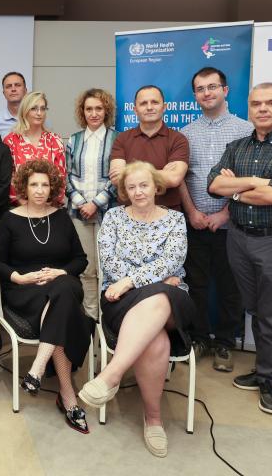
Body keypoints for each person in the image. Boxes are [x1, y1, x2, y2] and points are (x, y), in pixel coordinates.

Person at [208, 82, 272, 416]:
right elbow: (214, 185)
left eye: (271, 103)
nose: (263, 109)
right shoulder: (236, 146)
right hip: (238, 237)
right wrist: (257, 182)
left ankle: (268, 380)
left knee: (270, 313)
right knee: (253, 307)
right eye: (256, 104)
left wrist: (237, 188)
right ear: (249, 109)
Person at [78, 161, 193, 458]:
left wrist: (132, 280)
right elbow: (109, 262)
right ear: (124, 192)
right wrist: (156, 281)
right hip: (122, 301)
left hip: (159, 299)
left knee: (159, 299)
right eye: (131, 187)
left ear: (156, 186)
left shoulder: (175, 220)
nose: (138, 191)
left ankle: (111, 375)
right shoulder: (114, 218)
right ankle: (153, 419)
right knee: (155, 338)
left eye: (144, 185)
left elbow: (172, 260)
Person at [0, 159, 91, 434]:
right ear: (24, 186)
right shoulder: (9, 221)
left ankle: (37, 367)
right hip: (25, 289)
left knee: (64, 289)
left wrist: (60, 271)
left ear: (52, 188)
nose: (39, 190)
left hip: (61, 285)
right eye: (33, 184)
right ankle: (68, 398)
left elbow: (80, 261)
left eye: (44, 185)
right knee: (65, 303)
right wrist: (18, 277)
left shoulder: (61, 218)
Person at [178, 67, 253, 371]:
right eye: (200, 88)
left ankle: (224, 342)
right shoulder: (185, 133)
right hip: (194, 222)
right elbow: (181, 178)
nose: (206, 93)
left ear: (226, 90)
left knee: (229, 286)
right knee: (195, 284)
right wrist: (192, 212)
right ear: (194, 94)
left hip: (231, 222)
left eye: (212, 87)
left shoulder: (245, 130)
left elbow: (249, 180)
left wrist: (225, 213)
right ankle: (198, 338)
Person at [65, 88, 119, 321]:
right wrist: (81, 203)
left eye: (99, 108)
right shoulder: (74, 140)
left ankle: (106, 320)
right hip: (78, 214)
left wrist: (95, 203)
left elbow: (118, 177)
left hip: (108, 212)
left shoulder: (118, 139)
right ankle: (90, 319)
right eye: (89, 109)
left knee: (107, 268)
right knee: (86, 269)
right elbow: (65, 175)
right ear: (82, 112)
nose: (94, 113)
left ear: (106, 110)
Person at [109, 85, 189, 212]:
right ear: (135, 110)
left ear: (164, 107)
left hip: (167, 215)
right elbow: (116, 178)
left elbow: (174, 179)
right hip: (129, 214)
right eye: (143, 103)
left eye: (155, 102)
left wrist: (129, 174)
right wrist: (161, 174)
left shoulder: (178, 139)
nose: (149, 107)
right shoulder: (122, 139)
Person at [3, 92, 66, 205]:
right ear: (25, 111)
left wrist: (49, 205)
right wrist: (23, 204)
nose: (39, 113)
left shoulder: (55, 140)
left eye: (43, 109)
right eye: (34, 108)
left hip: (50, 207)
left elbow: (61, 177)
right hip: (20, 207)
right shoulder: (11, 141)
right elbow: (7, 178)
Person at [0, 72, 28, 140]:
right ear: (4, 93)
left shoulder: (36, 118)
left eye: (18, 85)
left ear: (25, 90)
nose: (13, 89)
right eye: (9, 86)